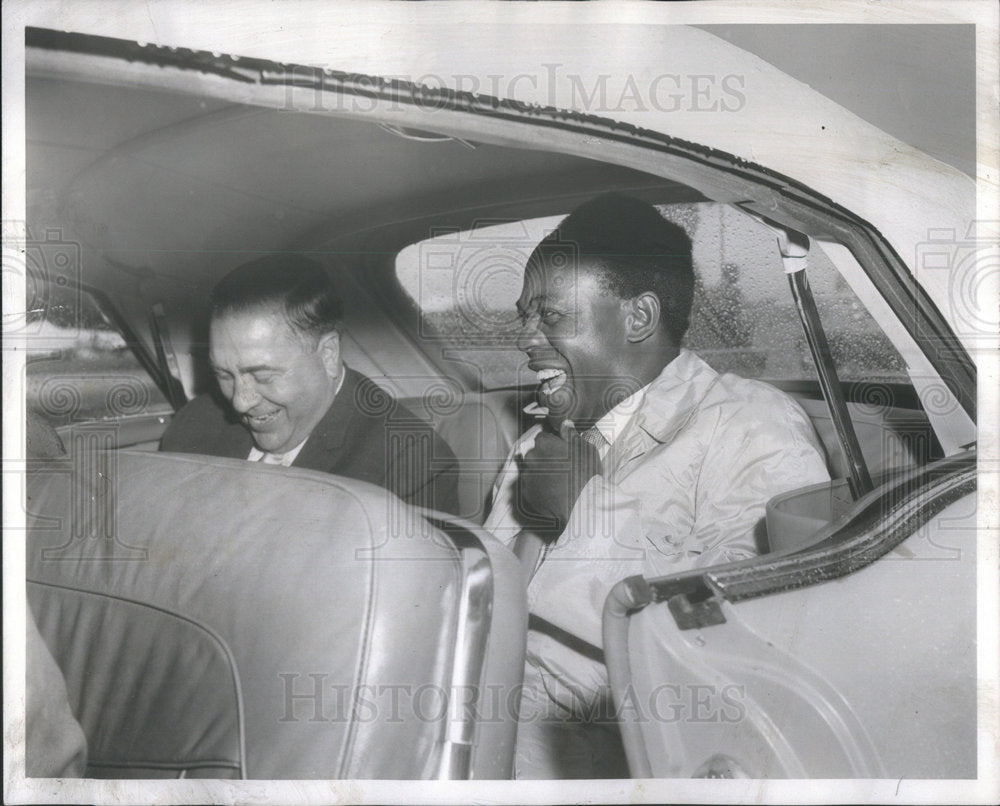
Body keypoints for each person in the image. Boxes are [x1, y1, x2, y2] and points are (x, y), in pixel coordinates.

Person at [483, 193, 830, 778]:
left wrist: (584, 513)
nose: (526, 337)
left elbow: (746, 645)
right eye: (523, 315)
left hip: (613, 755)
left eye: (551, 315)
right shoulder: (541, 440)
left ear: (638, 317)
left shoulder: (749, 424)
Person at [161, 255, 460, 515]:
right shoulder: (191, 427)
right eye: (224, 375)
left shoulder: (411, 463)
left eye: (264, 376)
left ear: (328, 354)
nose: (241, 401)